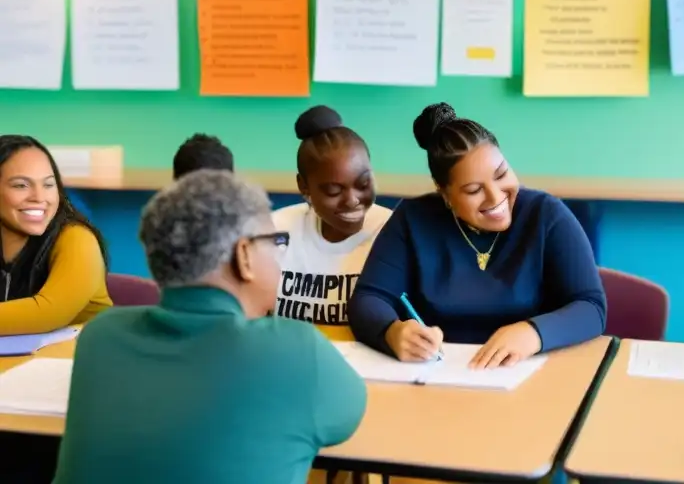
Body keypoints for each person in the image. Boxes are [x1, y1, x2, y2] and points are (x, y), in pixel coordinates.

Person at [53, 170, 367, 484]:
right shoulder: (295, 349)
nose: (279, 257)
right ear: (244, 255)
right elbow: (346, 420)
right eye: (275, 242)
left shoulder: (101, 337)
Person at [349, 102, 606, 367]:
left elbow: (590, 307)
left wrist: (532, 333)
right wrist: (392, 331)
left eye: (502, 174)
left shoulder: (546, 215)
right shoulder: (412, 219)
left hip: (528, 374)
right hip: (438, 375)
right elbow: (368, 300)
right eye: (473, 190)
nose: (496, 197)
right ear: (445, 193)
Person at [273, 105, 391, 326]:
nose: (352, 200)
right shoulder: (275, 230)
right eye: (333, 191)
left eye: (363, 184)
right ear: (304, 187)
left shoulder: (394, 232)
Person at [0, 135, 110, 334]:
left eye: (48, 185)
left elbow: (46, 312)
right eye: (21, 185)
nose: (39, 198)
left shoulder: (77, 239)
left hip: (78, 360)